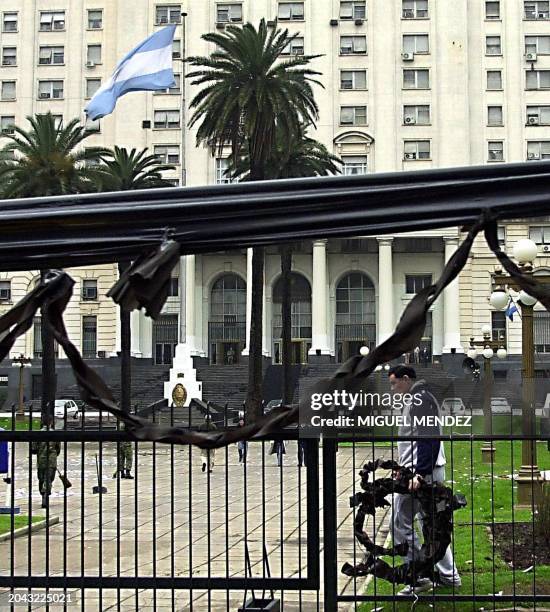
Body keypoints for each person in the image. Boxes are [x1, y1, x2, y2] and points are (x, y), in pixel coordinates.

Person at [388, 365, 461, 595]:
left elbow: (429, 438)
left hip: (422, 473)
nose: (393, 389)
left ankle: (418, 576)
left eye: (394, 383)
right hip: (422, 470)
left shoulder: (420, 399)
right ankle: (449, 576)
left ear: (406, 379)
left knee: (399, 523)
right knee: (431, 523)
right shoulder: (420, 398)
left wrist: (419, 473)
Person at [31, 415, 60, 509]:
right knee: (49, 478)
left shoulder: (37, 434)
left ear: (42, 422)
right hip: (52, 461)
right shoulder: (55, 435)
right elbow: (58, 449)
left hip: (41, 461)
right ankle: (46, 492)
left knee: (41, 478)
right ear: (51, 422)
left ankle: (43, 492)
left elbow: (33, 449)